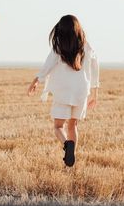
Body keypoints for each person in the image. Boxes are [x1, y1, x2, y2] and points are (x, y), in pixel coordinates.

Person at [27, 15, 100, 167]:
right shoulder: (86, 46)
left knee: (58, 126)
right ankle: (71, 155)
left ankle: (67, 145)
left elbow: (48, 65)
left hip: (63, 92)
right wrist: (95, 93)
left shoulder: (58, 47)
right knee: (73, 126)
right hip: (81, 91)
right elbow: (95, 67)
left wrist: (36, 81)